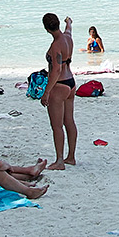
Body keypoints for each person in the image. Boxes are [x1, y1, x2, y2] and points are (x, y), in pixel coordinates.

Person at [42, 12, 77, 169]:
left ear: (46, 28)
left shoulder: (56, 45)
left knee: (57, 125)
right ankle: (71, 157)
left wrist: (47, 92)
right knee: (69, 121)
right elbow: (69, 27)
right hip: (71, 83)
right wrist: (68, 21)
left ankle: (59, 161)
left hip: (60, 85)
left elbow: (55, 70)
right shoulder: (67, 37)